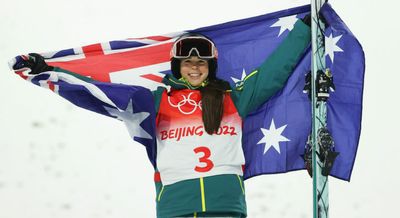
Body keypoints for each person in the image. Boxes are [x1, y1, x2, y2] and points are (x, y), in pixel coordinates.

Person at [22, 16, 311, 218]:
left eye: (201, 63)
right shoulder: (155, 101)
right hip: (175, 207)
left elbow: (273, 73)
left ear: (210, 67)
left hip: (225, 204)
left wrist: (302, 31)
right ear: (177, 67)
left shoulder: (231, 99)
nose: (195, 68)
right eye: (188, 63)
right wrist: (49, 70)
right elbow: (101, 91)